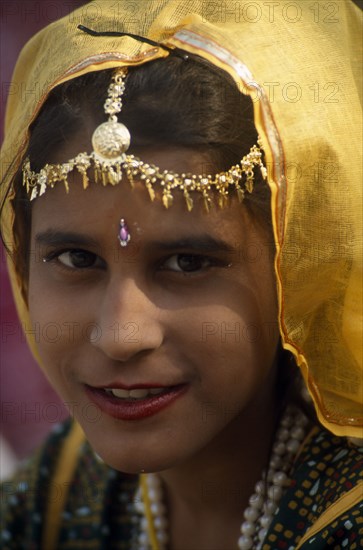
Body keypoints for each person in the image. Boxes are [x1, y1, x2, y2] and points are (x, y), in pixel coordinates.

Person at [0, 1, 362, 549]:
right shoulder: (64, 488)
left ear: (300, 267)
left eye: (187, 263)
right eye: (77, 259)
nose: (121, 335)